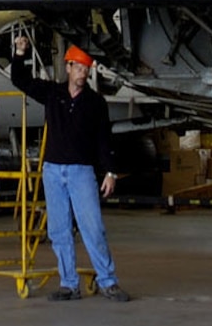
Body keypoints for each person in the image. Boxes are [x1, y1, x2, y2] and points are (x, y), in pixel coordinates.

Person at [9, 28, 130, 302]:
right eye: (79, 68)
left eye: (87, 69)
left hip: (81, 172)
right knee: (59, 230)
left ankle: (108, 282)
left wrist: (110, 172)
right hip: (52, 171)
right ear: (68, 66)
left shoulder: (95, 103)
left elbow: (103, 139)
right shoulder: (53, 94)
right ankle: (69, 284)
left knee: (92, 228)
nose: (83, 74)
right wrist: (19, 53)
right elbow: (21, 79)